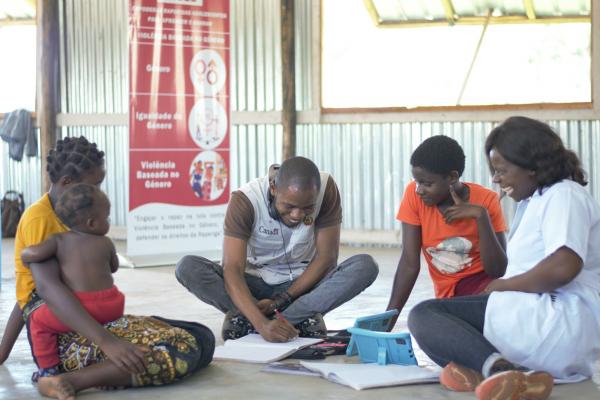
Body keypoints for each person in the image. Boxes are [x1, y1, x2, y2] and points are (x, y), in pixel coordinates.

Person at [0, 136, 214, 399]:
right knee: (177, 352)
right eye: (95, 184)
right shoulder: (39, 219)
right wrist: (107, 342)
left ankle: (100, 371)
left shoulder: (82, 225)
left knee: (200, 335)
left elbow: (27, 296)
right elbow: (43, 291)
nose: (100, 192)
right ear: (67, 183)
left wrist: (2, 351)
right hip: (64, 335)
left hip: (89, 320)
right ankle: (68, 380)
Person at [408, 116, 600, 400]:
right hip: (535, 318)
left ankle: (498, 372)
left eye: (501, 170)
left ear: (533, 167)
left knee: (426, 316)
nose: (496, 179)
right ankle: (518, 374)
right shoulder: (538, 199)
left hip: (555, 319)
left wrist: (505, 286)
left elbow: (564, 265)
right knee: (439, 333)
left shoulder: (564, 195)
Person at [176, 156, 379, 342]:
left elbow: (326, 257)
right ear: (273, 189)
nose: (297, 215)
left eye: (308, 207)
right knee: (188, 267)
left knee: (364, 266)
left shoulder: (326, 190)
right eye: (289, 206)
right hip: (253, 284)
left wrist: (281, 301)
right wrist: (262, 323)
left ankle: (259, 320)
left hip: (302, 285)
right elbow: (233, 269)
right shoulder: (245, 201)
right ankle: (289, 319)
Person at [386, 135, 507, 328]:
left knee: (502, 300)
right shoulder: (414, 197)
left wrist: (481, 217)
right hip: (450, 299)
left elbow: (498, 270)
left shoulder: (486, 200)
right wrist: (387, 321)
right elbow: (409, 264)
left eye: (427, 183)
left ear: (452, 177)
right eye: (417, 182)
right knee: (425, 321)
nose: (419, 190)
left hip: (485, 291)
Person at [22, 183, 124, 376]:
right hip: (113, 305)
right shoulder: (106, 242)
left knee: (38, 321)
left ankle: (48, 369)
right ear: (92, 223)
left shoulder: (58, 240)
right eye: (107, 218)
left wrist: (25, 254)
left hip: (83, 307)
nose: (108, 221)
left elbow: (34, 253)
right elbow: (114, 267)